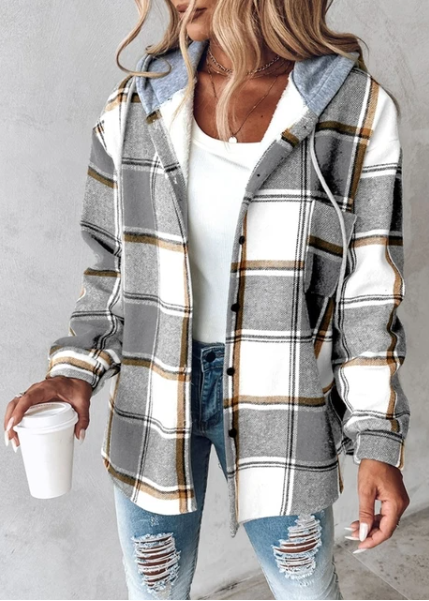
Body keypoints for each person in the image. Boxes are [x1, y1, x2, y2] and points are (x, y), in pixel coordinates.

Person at [4, 0, 411, 599]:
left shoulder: (355, 109)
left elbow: (368, 293)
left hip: (283, 400)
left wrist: (377, 440)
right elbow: (112, 267)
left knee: (308, 590)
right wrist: (73, 371)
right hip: (155, 396)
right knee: (155, 593)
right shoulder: (136, 105)